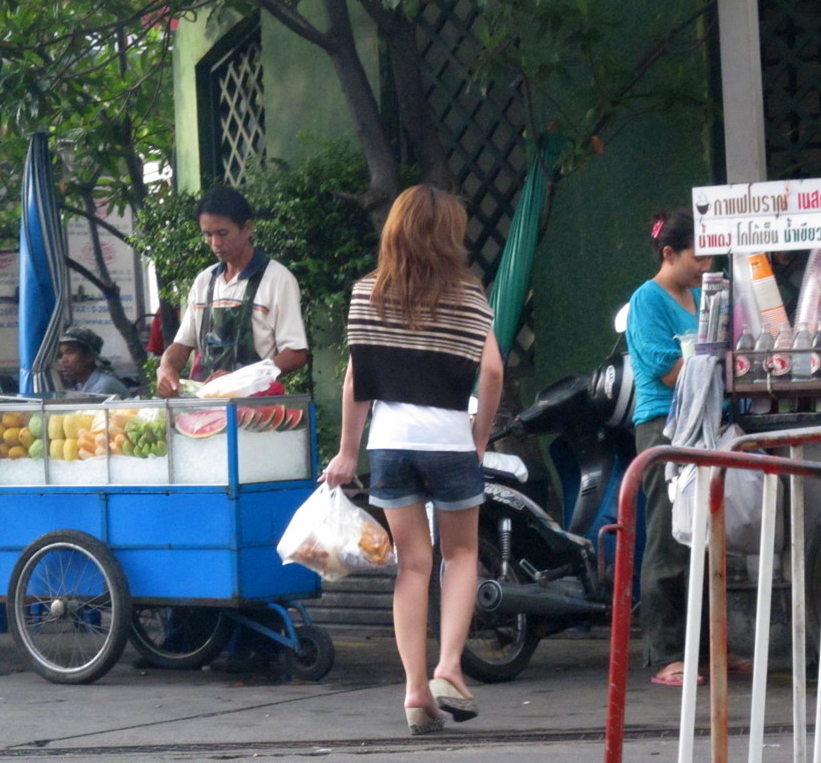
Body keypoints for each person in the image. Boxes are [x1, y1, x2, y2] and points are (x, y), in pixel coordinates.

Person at [322, 184, 503, 736]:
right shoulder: (469, 297)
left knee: (413, 565)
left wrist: (348, 451)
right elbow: (492, 372)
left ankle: (414, 691)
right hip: (448, 439)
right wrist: (478, 437)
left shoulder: (367, 292)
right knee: (463, 553)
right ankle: (449, 666)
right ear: (449, 235)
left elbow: (357, 381)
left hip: (391, 443)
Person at [626, 208, 749, 687]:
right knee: (668, 537)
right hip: (664, 426)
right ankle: (667, 651)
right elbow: (667, 369)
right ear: (669, 253)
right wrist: (711, 358)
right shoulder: (646, 300)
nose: (706, 266)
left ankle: (710, 648)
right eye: (698, 257)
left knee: (705, 539)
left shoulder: (702, 296)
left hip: (705, 422)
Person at [155, 186, 309, 397]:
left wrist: (239, 379)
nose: (215, 243)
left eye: (222, 233)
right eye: (208, 235)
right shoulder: (204, 281)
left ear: (247, 229)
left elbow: (296, 354)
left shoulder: (277, 279)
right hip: (204, 406)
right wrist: (166, 367)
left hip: (255, 407)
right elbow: (183, 344)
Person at [56, 326, 130, 397]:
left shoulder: (102, 386)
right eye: (60, 354)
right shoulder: (80, 385)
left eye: (70, 352)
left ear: (89, 356)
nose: (63, 360)